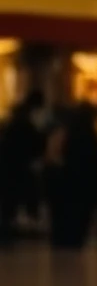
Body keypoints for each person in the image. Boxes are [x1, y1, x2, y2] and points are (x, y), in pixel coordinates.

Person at [45, 102, 97, 250]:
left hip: (66, 184)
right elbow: (96, 164)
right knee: (79, 224)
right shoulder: (92, 136)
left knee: (64, 222)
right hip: (85, 187)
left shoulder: (68, 134)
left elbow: (57, 158)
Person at [0, 90, 48, 244]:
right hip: (19, 170)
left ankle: (8, 232)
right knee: (18, 202)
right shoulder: (26, 124)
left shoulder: (15, 121)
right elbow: (33, 146)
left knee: (10, 205)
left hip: (11, 169)